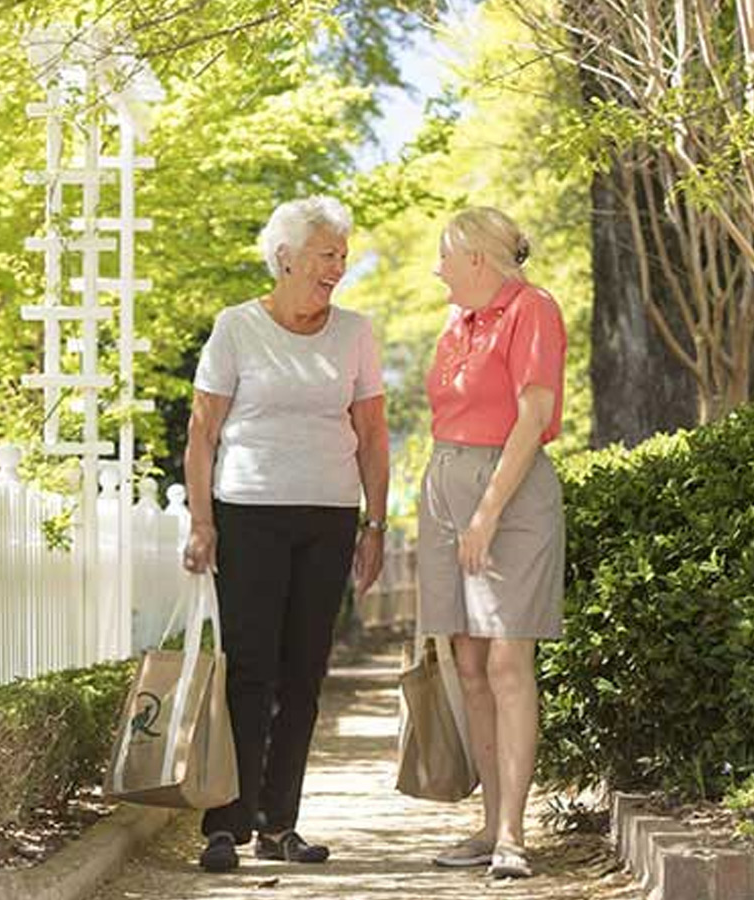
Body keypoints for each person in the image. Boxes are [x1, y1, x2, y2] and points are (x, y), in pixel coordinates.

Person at [181, 195, 390, 872]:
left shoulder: (354, 333)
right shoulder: (237, 327)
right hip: (249, 513)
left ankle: (280, 824)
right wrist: (203, 521)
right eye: (326, 254)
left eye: (342, 254)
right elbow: (203, 432)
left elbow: (372, 433)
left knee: (304, 672)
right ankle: (226, 822)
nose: (338, 266)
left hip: (329, 516)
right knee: (249, 668)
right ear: (286, 258)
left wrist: (376, 524)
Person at [417, 207, 567, 879]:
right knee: (470, 663)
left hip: (507, 494)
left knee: (508, 663)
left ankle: (513, 835)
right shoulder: (457, 322)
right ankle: (487, 825)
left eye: (445, 257)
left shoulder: (532, 310)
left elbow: (533, 418)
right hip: (446, 485)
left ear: (477, 258)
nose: (437, 270)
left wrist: (486, 514)